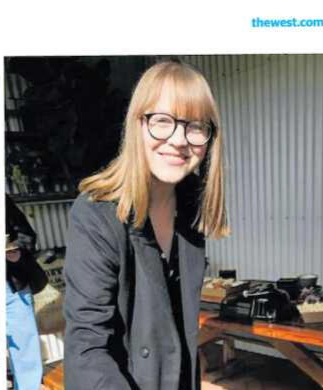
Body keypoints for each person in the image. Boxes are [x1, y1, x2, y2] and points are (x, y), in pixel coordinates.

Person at [63, 61, 230, 390]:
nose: (180, 140)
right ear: (138, 123)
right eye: (163, 121)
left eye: (196, 126)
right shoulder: (96, 214)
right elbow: (86, 345)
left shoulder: (191, 204)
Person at [6, 195, 47, 390]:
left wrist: (17, 251)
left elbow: (27, 235)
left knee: (25, 346)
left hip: (12, 284)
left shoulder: (1, 200)